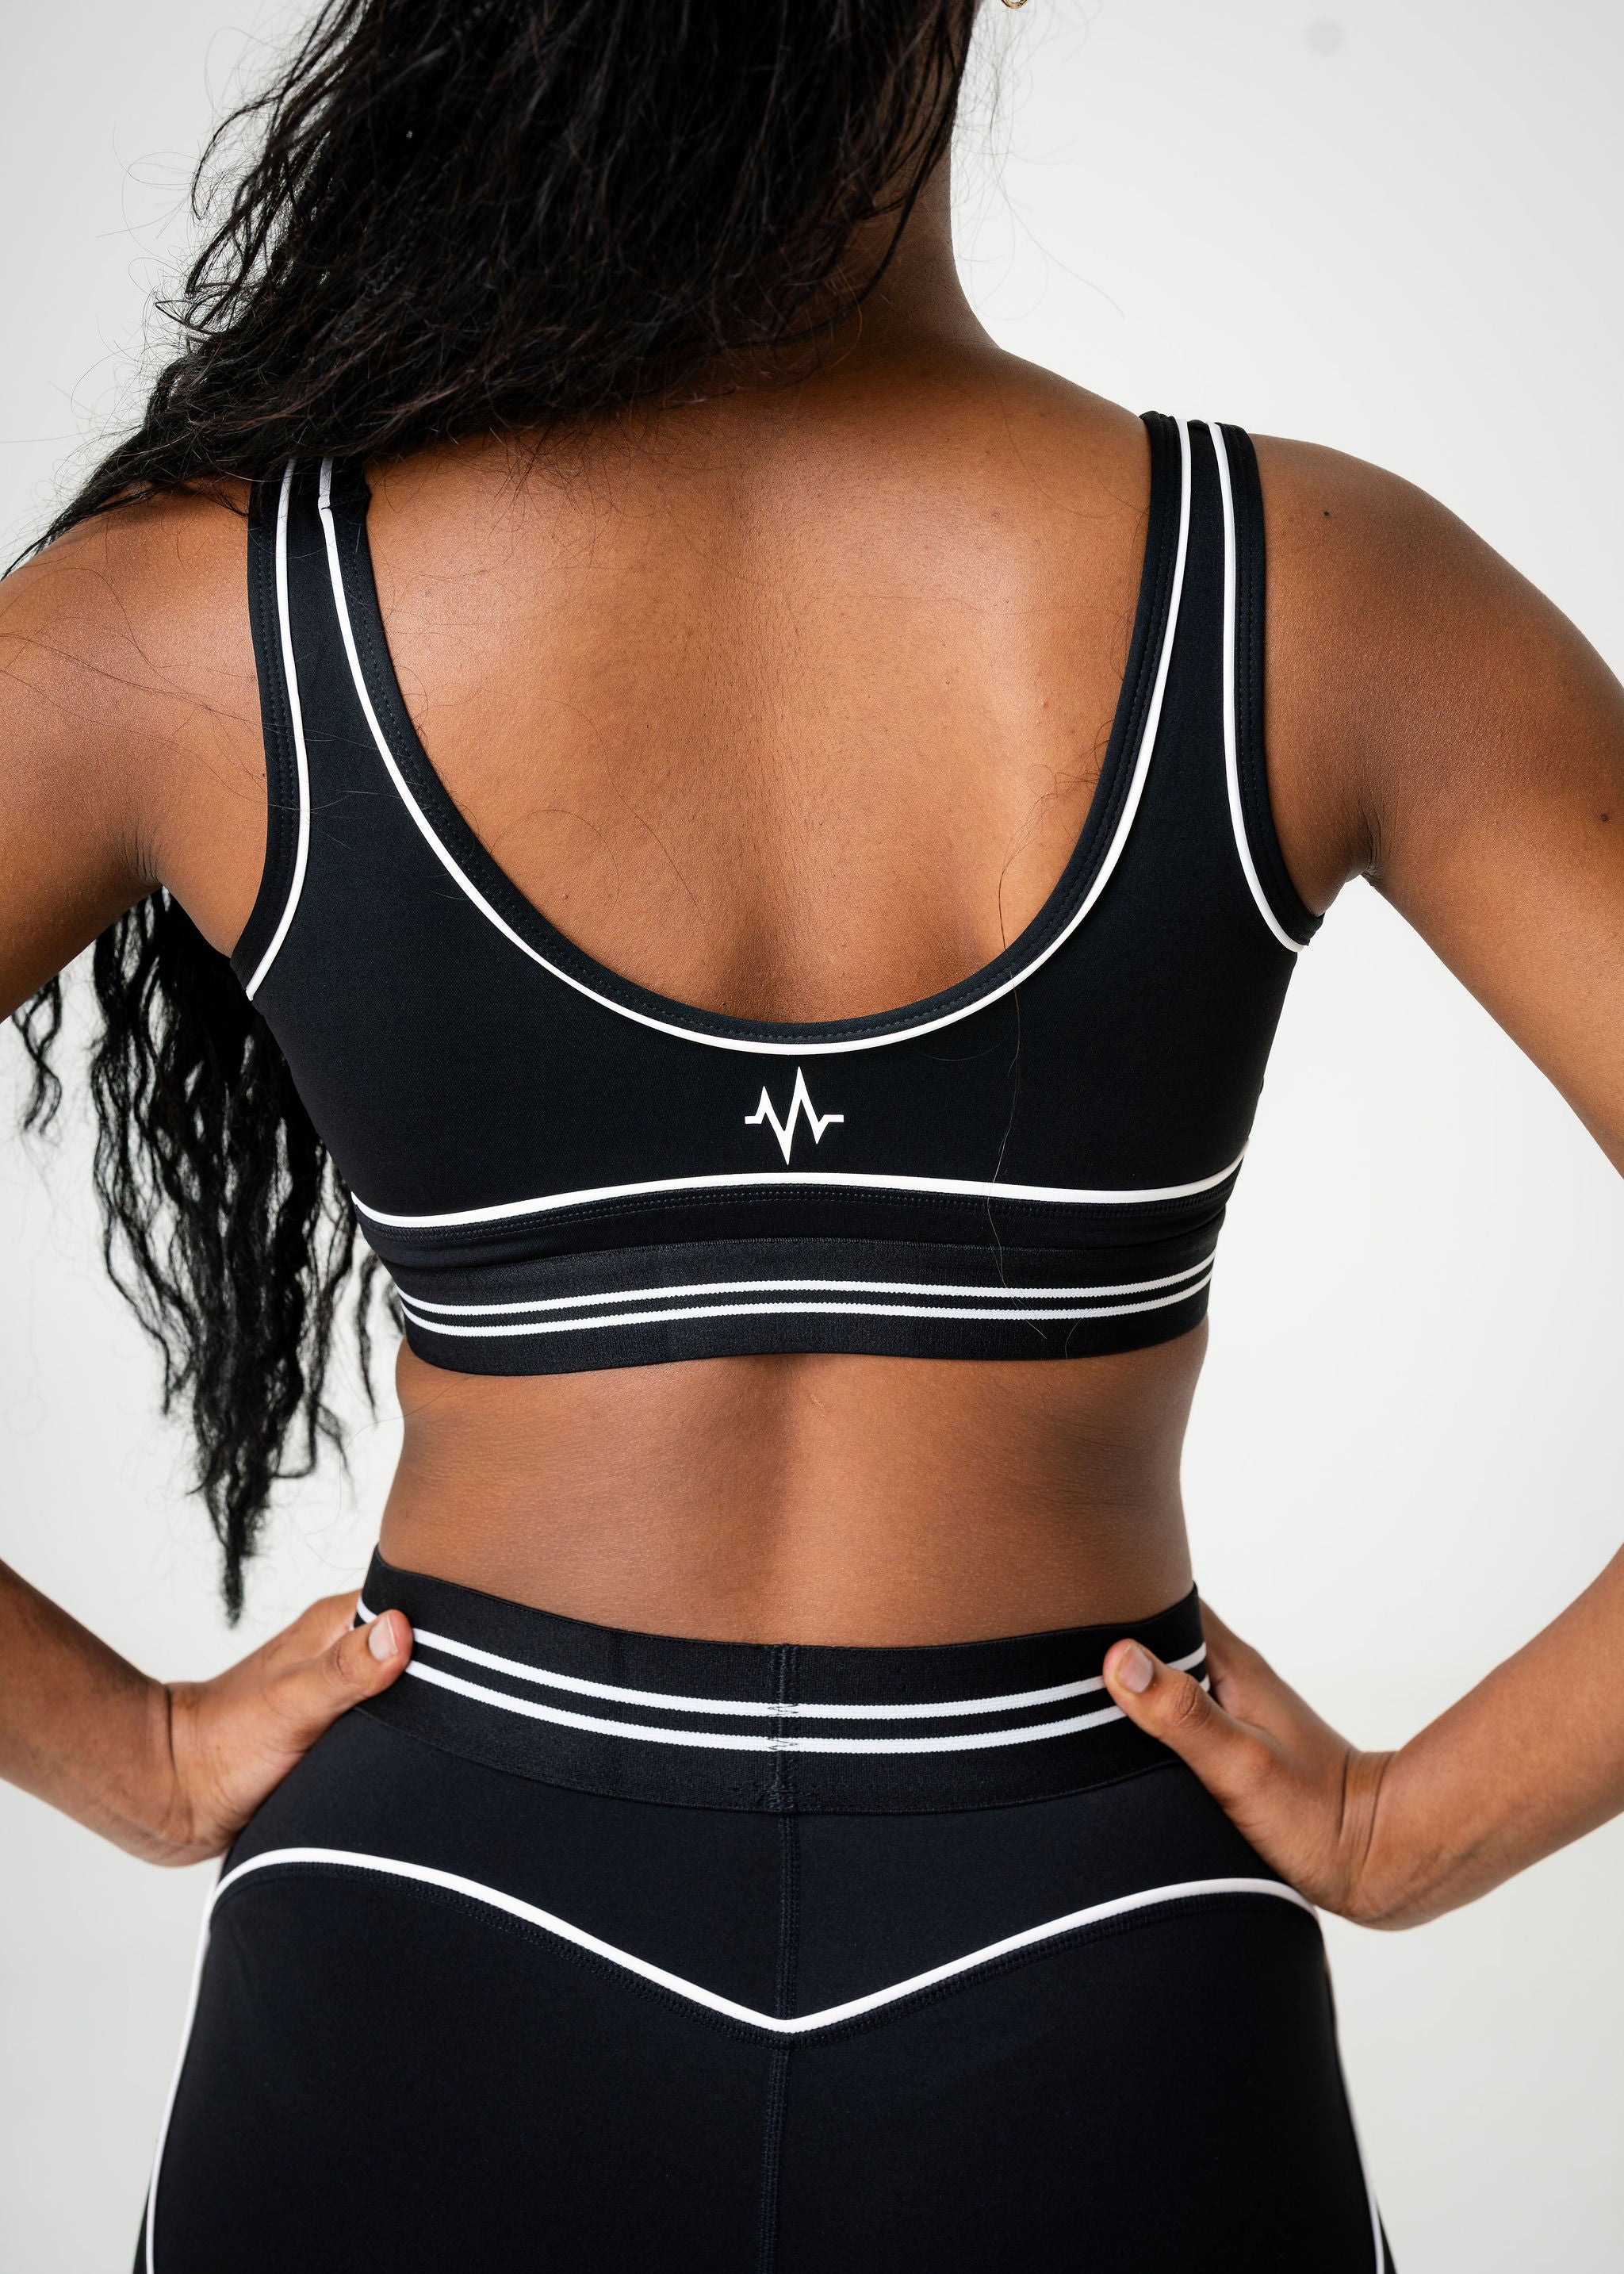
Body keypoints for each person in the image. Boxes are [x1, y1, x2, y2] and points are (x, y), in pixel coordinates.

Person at [2, 2, 1620, 2266]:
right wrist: (1403, 1827)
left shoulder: (201, 620)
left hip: (433, 1935)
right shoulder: (1316, 589)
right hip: (1091, 1958)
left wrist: (142, 1756)